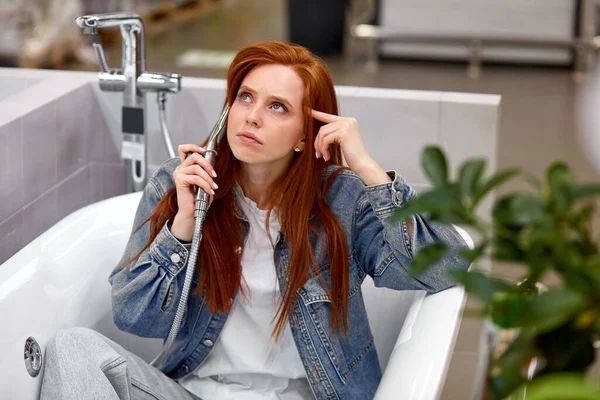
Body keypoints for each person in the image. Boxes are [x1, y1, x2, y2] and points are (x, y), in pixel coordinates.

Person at [40, 41, 469, 400]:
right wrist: (184, 225)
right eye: (245, 97)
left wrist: (369, 170)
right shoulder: (181, 183)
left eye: (278, 107)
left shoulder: (344, 200)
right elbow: (136, 319)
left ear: (305, 135)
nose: (253, 116)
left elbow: (449, 267)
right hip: (194, 393)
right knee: (73, 347)